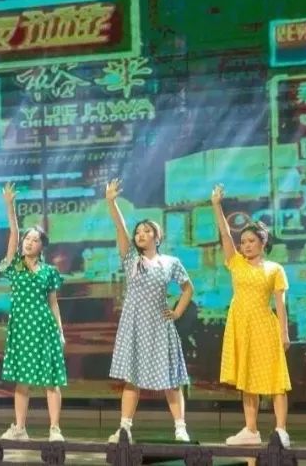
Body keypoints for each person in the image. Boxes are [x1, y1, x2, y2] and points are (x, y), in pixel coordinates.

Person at [105, 179, 193, 443]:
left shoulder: (171, 262)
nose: (140, 235)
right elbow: (120, 228)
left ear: (157, 236)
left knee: (171, 380)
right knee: (131, 379)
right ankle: (124, 428)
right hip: (134, 325)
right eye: (138, 232)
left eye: (146, 231)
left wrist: (177, 312)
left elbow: (187, 288)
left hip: (159, 325)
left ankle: (180, 428)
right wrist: (111, 201)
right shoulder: (132, 259)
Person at [211, 184, 292, 448]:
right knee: (247, 379)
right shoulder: (236, 263)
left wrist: (284, 333)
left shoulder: (275, 269)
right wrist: (216, 205)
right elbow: (225, 233)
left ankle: (281, 430)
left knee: (276, 379)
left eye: (251, 241)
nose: (245, 245)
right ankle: (251, 429)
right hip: (240, 325)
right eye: (243, 242)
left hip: (265, 326)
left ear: (262, 243)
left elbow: (280, 305)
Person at [0, 183, 67, 442]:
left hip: (44, 327)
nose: (28, 242)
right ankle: (20, 428)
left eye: (34, 240)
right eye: (27, 239)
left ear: (42, 246)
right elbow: (13, 233)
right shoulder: (14, 265)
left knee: (51, 379)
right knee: (22, 381)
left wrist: (60, 331)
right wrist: (10, 206)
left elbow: (53, 303)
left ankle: (55, 429)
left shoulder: (49, 272)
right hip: (21, 328)